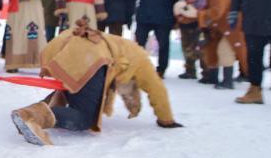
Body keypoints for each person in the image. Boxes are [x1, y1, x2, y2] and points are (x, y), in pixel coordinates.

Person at [10, 21, 182, 146]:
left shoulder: (123, 47)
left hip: (63, 46)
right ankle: (31, 116)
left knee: (73, 90)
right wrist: (166, 120)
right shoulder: (141, 60)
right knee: (85, 118)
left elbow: (121, 87)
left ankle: (33, 112)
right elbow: (157, 88)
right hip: (90, 56)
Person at [174, 0, 247, 90]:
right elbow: (192, 17)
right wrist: (181, 18)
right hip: (215, 31)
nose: (188, 2)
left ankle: (228, 81)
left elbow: (217, 12)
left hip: (231, 28)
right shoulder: (195, 5)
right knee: (210, 50)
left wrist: (198, 14)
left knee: (225, 51)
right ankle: (212, 77)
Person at [177, 0, 223, 80]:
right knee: (187, 43)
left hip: (206, 15)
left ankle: (208, 70)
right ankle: (190, 69)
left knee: (206, 44)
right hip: (186, 15)